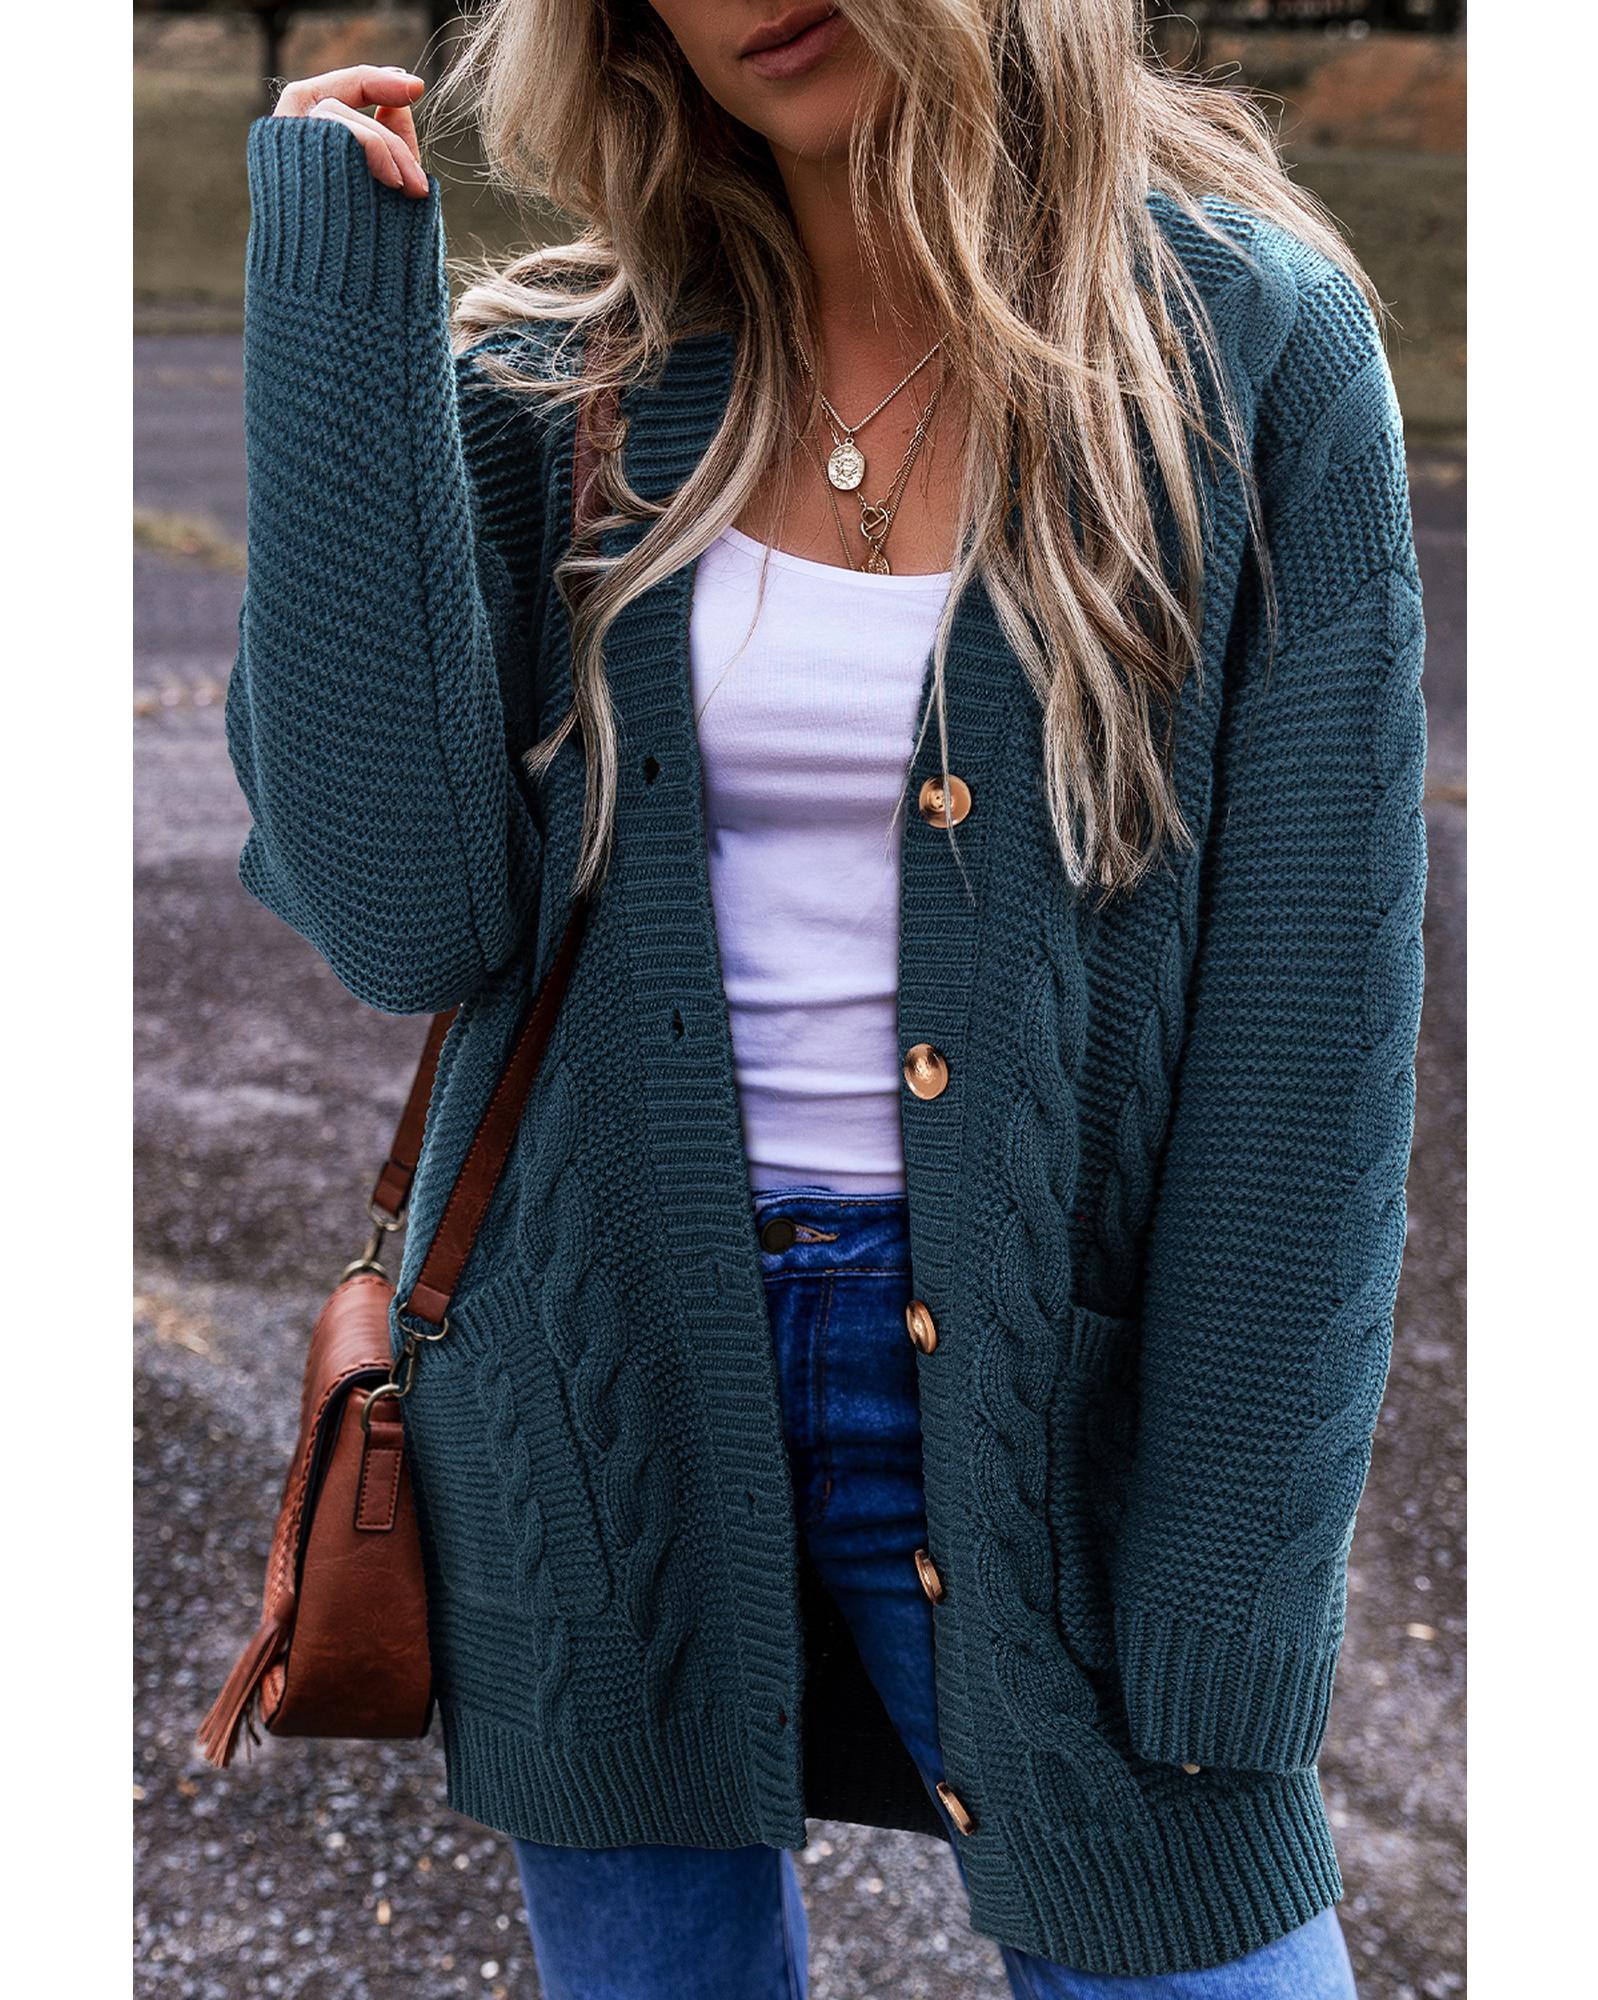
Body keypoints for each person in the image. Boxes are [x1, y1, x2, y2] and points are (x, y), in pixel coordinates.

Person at [225, 2, 1427, 1993]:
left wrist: (1237, 1581)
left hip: (1054, 1402)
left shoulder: (1238, 343)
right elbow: (404, 925)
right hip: (595, 1378)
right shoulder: (560, 378)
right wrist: (332, 306)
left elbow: (1307, 1049)